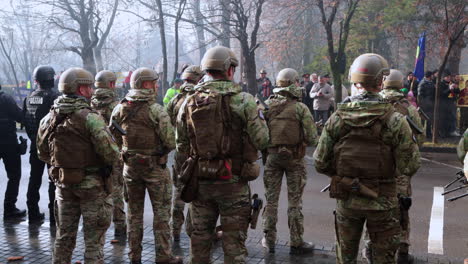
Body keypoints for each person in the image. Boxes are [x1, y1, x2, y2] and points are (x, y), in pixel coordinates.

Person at [313, 53, 421, 264]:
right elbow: (410, 165)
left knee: (346, 258)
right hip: (383, 202)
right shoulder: (396, 120)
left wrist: (342, 175)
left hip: (347, 200)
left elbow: (320, 162)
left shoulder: (338, 118)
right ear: (381, 81)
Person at [176, 46, 269, 263]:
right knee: (234, 248)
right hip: (233, 183)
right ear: (228, 69)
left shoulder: (188, 101)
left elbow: (180, 145)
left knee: (199, 244)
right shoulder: (244, 100)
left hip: (201, 182)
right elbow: (263, 140)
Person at [37, 67, 119, 263]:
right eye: (89, 87)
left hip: (63, 184)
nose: (92, 90)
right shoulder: (91, 118)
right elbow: (110, 155)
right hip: (92, 187)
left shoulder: (48, 118)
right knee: (93, 242)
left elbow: (42, 153)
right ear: (81, 90)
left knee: (64, 237)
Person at [111, 67, 182, 264]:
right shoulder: (155, 110)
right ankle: (163, 257)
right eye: (154, 82)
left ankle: (134, 256)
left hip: (130, 169)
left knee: (134, 214)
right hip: (155, 170)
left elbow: (112, 140)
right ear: (146, 84)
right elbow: (170, 141)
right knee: (161, 215)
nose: (157, 85)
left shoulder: (120, 108)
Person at [261, 68, 318, 254]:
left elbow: (259, 135)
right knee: (295, 202)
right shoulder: (300, 108)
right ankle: (296, 240)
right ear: (294, 84)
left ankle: (269, 240)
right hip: (295, 158)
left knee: (271, 200)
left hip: (272, 157)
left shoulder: (267, 106)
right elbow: (312, 138)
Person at [377, 69, 424, 263]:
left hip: (376, 165)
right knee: (402, 206)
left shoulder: (373, 103)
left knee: (376, 206)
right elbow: (419, 140)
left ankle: (371, 247)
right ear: (400, 83)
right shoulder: (408, 108)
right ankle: (402, 249)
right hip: (401, 167)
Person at [166, 65, 203, 241]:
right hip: (198, 153)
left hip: (180, 153)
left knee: (179, 192)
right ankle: (194, 231)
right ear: (198, 79)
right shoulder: (201, 98)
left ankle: (175, 230)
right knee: (198, 193)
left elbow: (168, 125)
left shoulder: (175, 99)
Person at [91, 70, 127, 239]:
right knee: (117, 190)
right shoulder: (116, 105)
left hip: (93, 155)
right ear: (111, 84)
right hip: (114, 154)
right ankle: (120, 227)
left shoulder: (88, 103)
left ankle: (93, 226)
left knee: (96, 191)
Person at [23, 65, 59, 223]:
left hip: (35, 144)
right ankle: (53, 215)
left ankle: (33, 213)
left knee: (34, 179)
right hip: (51, 146)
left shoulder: (29, 97)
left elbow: (26, 119)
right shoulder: (54, 96)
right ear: (51, 79)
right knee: (54, 180)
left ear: (37, 80)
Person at [0, 83, 26, 220]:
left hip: (8, 142)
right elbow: (20, 117)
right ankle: (9, 209)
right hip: (8, 143)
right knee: (14, 176)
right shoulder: (6, 99)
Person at [418, 71, 435, 137]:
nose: (432, 76)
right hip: (424, 104)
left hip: (430, 104)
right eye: (431, 75)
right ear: (429, 76)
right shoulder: (422, 83)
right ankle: (420, 133)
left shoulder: (431, 83)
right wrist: (422, 104)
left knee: (429, 119)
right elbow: (420, 95)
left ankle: (428, 133)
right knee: (422, 120)